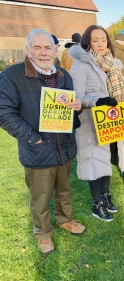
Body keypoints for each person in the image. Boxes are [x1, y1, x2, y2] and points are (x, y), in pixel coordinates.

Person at [0, 29, 86, 254]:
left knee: (64, 190)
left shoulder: (63, 75)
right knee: (41, 196)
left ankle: (65, 219)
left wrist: (76, 108)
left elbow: (69, 110)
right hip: (37, 150)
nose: (43, 52)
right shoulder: (12, 76)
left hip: (64, 147)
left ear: (55, 49)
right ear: (28, 50)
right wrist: (33, 138)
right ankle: (43, 233)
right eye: (37, 47)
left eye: (48, 47)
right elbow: (4, 113)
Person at [69, 25, 124, 222]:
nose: (101, 43)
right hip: (91, 123)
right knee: (94, 163)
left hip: (110, 121)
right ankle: (98, 204)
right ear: (88, 42)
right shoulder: (81, 64)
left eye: (103, 39)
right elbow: (76, 96)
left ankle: (105, 195)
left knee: (107, 160)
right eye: (96, 40)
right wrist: (98, 101)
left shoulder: (110, 63)